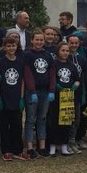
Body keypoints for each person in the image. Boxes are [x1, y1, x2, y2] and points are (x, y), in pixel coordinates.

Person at [23, 29, 55, 159]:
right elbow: (27, 73)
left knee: (42, 118)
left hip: (45, 92)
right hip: (32, 92)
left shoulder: (47, 55)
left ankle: (42, 146)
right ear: (32, 40)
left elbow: (52, 73)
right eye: (37, 39)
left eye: (41, 40)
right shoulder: (27, 54)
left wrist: (52, 90)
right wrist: (32, 91)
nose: (39, 42)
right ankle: (30, 147)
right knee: (31, 119)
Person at [0, 36, 25, 161]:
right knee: (4, 126)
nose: (11, 48)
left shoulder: (20, 61)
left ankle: (17, 149)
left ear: (16, 46)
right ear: (4, 47)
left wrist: (22, 98)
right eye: (8, 46)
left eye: (13, 45)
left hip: (16, 97)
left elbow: (22, 80)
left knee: (17, 125)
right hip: (4, 97)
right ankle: (6, 150)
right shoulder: (0, 62)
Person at [47, 42, 78, 156]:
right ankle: (52, 146)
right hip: (56, 96)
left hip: (68, 97)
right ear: (58, 51)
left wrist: (75, 85)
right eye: (62, 50)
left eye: (67, 51)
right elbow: (51, 78)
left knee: (66, 121)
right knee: (53, 121)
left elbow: (77, 79)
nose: (65, 53)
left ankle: (64, 146)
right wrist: (56, 86)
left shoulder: (72, 65)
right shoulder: (54, 64)